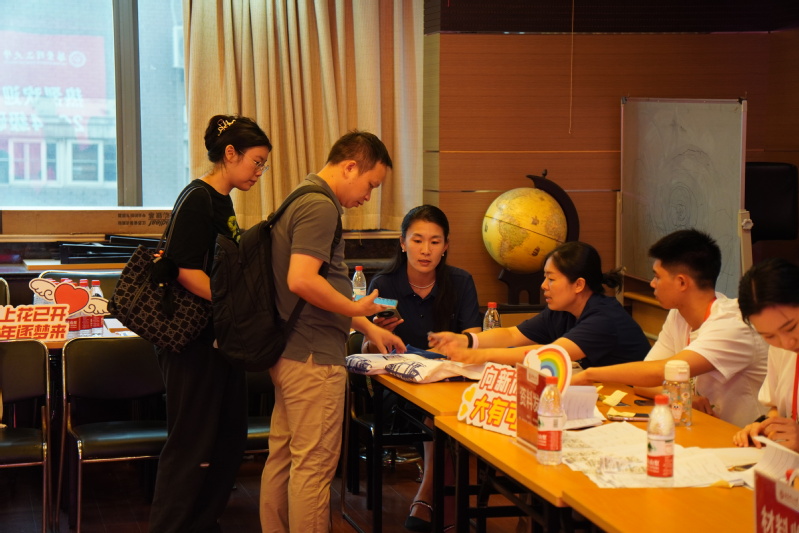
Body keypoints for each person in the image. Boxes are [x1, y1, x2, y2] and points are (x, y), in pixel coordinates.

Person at [259, 130, 406, 533]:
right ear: (350, 167)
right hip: (313, 359)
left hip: (290, 352)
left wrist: (366, 326)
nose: (368, 197)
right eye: (371, 184)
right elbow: (302, 280)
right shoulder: (321, 207)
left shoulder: (300, 196)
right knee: (314, 468)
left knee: (283, 459)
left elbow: (321, 286)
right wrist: (356, 308)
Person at [149, 114, 272, 532]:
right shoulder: (198, 198)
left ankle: (202, 523)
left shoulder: (223, 200)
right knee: (190, 446)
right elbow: (183, 269)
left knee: (229, 440)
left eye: (263, 165)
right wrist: (233, 304)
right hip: (191, 341)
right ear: (230, 153)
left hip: (219, 339)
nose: (259, 172)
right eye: (256, 162)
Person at [362, 205, 482, 532]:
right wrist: (378, 336)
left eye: (434, 241)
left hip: (451, 382)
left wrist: (457, 344)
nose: (426, 250)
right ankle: (436, 500)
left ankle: (429, 497)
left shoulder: (460, 282)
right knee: (437, 414)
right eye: (417, 240)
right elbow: (368, 349)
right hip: (398, 391)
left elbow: (474, 339)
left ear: (446, 246)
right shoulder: (385, 286)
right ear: (402, 243)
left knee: (447, 408)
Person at [571, 229, 768, 428]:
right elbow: (643, 382)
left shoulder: (732, 324)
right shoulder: (679, 314)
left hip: (746, 436)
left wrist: (590, 374)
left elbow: (659, 372)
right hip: (704, 427)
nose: (652, 283)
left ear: (682, 282)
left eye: (657, 277)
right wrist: (683, 396)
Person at [429, 240, 650, 369]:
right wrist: (465, 340)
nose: (543, 285)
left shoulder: (603, 318)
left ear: (579, 284)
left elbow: (550, 353)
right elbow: (512, 335)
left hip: (633, 402)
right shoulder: (562, 310)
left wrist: (482, 355)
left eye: (551, 279)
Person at [733, 258, 799, 452]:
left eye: (791, 327)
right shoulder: (779, 349)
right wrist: (763, 428)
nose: (786, 343)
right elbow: (778, 407)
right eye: (769, 336)